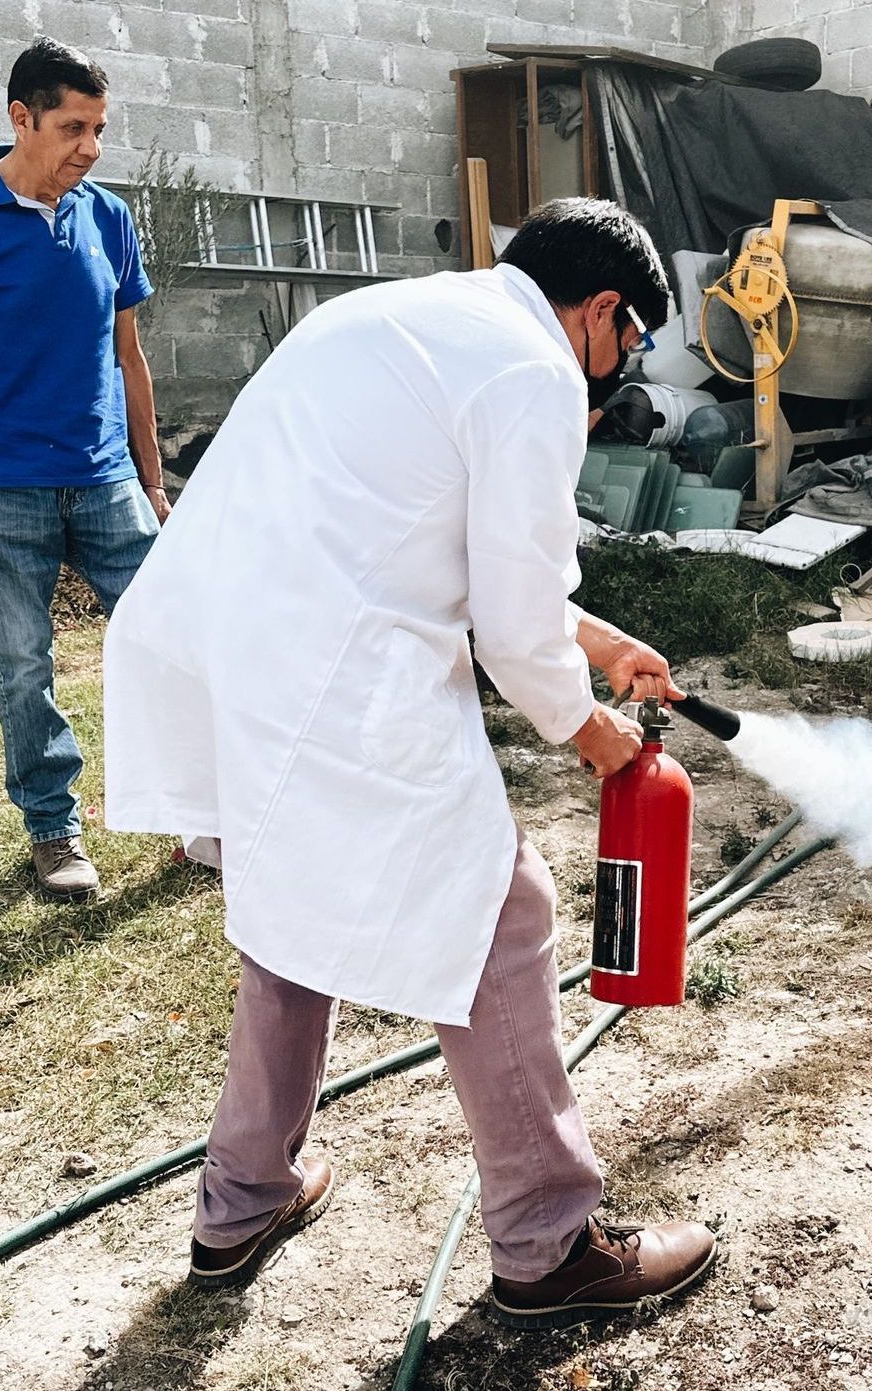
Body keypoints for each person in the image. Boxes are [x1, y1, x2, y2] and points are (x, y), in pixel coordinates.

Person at [102, 198, 717, 1325]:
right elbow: (510, 627)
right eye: (628, 344)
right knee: (499, 906)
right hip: (331, 663)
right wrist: (591, 731)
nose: (614, 370)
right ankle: (548, 1242)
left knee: (294, 905)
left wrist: (598, 640)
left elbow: (452, 543)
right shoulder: (534, 370)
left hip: (230, 639)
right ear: (606, 311)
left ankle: (241, 1201)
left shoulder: (416, 317)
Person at [0, 37, 168, 901]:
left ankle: (205, 806)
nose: (89, 146)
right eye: (74, 127)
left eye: (100, 129)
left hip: (108, 477)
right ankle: (54, 829)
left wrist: (153, 481)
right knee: (22, 665)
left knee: (178, 632)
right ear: (21, 118)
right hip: (1, 487)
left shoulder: (107, 217)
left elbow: (131, 357)